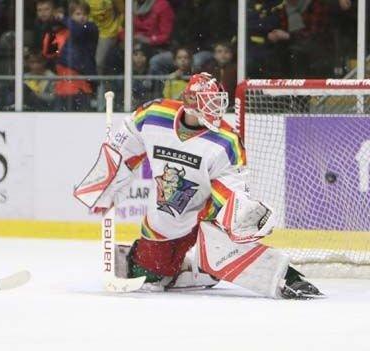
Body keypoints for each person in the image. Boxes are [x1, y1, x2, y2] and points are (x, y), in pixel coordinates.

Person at [74, 72, 323, 299]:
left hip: (204, 214)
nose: (216, 107)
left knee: (219, 242)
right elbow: (122, 151)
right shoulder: (154, 115)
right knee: (149, 276)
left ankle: (284, 278)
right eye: (209, 101)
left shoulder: (226, 141)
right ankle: (191, 268)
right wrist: (104, 188)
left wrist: (241, 210)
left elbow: (230, 186)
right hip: (165, 219)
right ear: (191, 102)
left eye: (217, 101)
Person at [54, 0, 98, 111]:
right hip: (66, 75)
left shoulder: (90, 27)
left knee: (82, 110)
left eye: (84, 14)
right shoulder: (68, 29)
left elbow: (78, 31)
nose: (82, 17)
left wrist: (63, 18)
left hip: (81, 75)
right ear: (72, 16)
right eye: (78, 14)